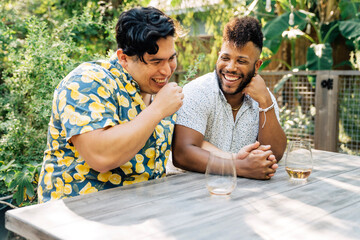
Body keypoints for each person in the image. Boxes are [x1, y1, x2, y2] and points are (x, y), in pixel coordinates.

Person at [37, 7, 184, 203]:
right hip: (74, 217)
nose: (167, 70)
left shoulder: (159, 91)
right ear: (123, 58)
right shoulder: (86, 82)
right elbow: (101, 157)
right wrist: (157, 111)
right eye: (155, 62)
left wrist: (232, 160)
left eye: (171, 58)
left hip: (141, 214)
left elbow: (187, 146)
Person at [172, 16, 287, 180]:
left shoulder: (263, 97)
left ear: (257, 66)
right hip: (195, 192)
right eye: (225, 58)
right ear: (218, 56)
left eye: (241, 61)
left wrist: (266, 102)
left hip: (248, 193)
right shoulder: (198, 91)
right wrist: (239, 167)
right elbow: (182, 153)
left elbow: (274, 154)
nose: (230, 67)